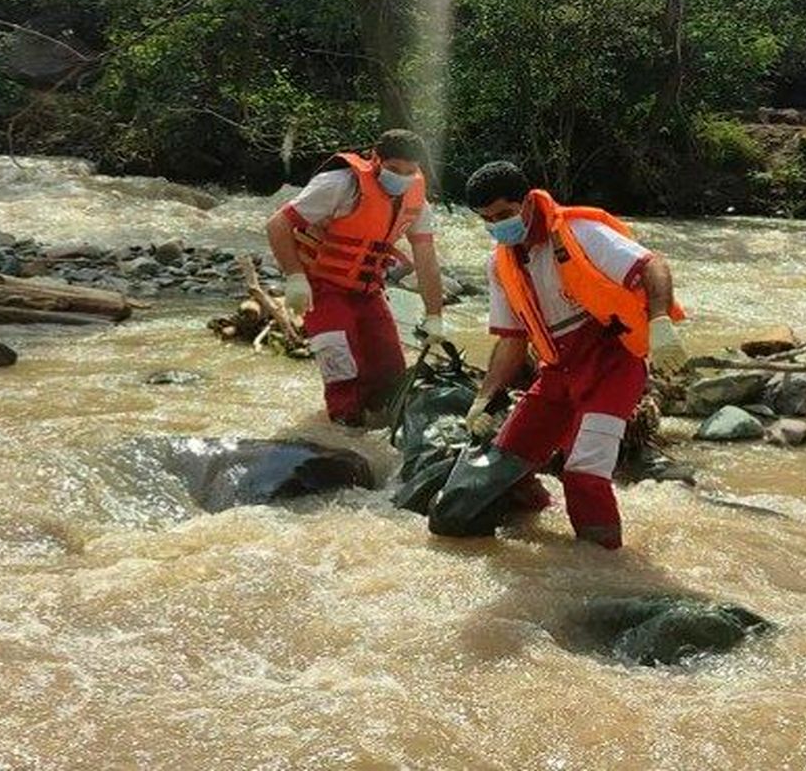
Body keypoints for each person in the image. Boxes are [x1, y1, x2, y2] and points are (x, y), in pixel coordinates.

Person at [461, 161, 688, 549]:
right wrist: (483, 398)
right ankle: (543, 534)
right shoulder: (499, 265)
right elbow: (511, 341)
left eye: (503, 214)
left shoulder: (580, 232)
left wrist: (660, 321)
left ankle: (601, 564)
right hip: (557, 371)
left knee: (584, 472)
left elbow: (652, 265)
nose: (497, 225)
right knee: (505, 466)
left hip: (612, 365)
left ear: (527, 202)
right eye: (487, 220)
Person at [266, 129, 447, 426]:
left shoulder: (417, 200)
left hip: (368, 291)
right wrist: (295, 278)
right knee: (344, 376)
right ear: (375, 159)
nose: (402, 177)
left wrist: (434, 315)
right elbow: (278, 224)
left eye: (409, 172)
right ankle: (343, 434)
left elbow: (426, 258)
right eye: (393, 169)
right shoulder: (339, 184)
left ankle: (383, 436)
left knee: (391, 373)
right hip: (322, 288)